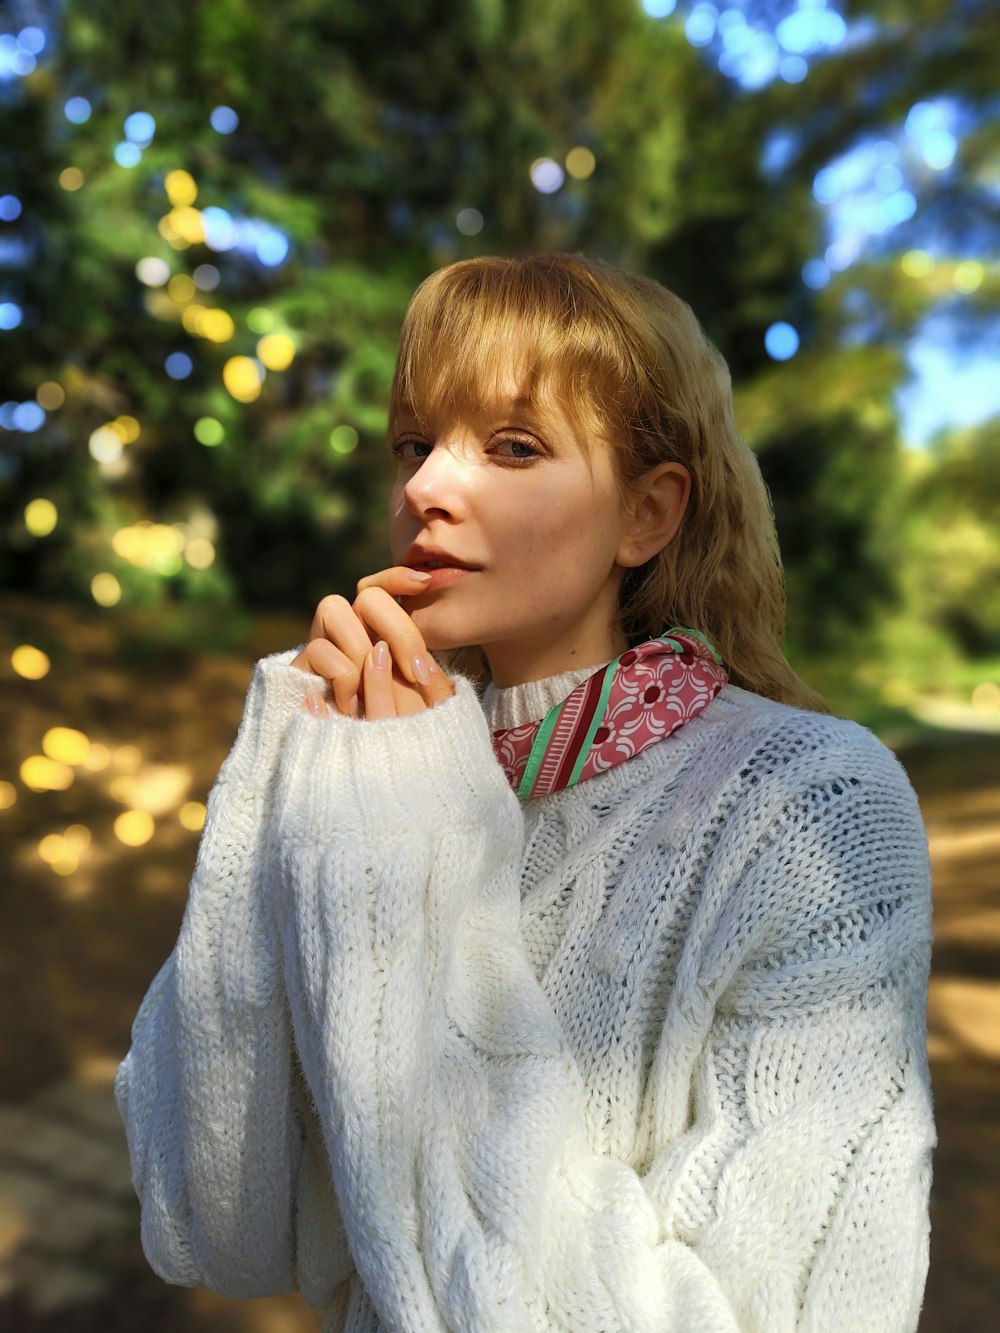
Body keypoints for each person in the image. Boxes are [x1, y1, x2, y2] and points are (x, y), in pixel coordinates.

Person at [115, 253, 935, 1332]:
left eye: (512, 446)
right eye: (415, 442)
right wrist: (294, 768)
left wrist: (413, 849)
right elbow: (214, 1216)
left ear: (647, 516)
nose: (424, 488)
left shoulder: (810, 808)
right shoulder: (363, 762)